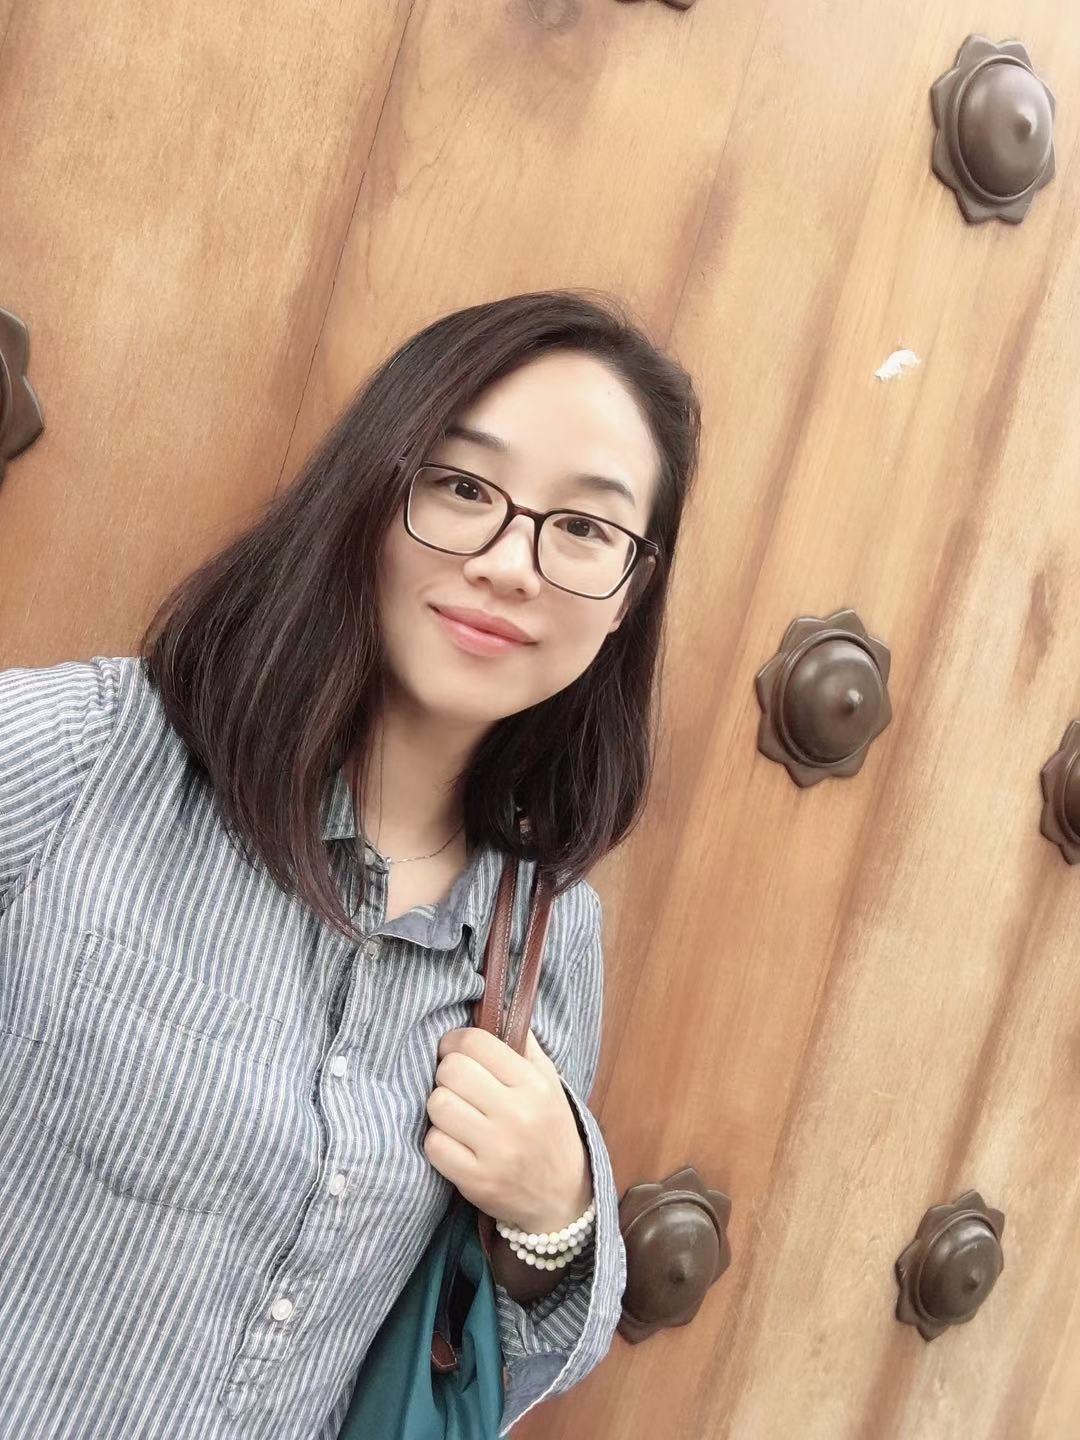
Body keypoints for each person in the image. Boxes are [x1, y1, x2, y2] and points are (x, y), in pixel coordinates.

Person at [0, 288, 701, 1438]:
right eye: (465, 487)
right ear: (375, 489)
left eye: (585, 528)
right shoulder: (87, 757)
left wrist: (556, 1215)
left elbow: (497, 1354)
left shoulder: (543, 930)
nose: (512, 564)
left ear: (630, 595)